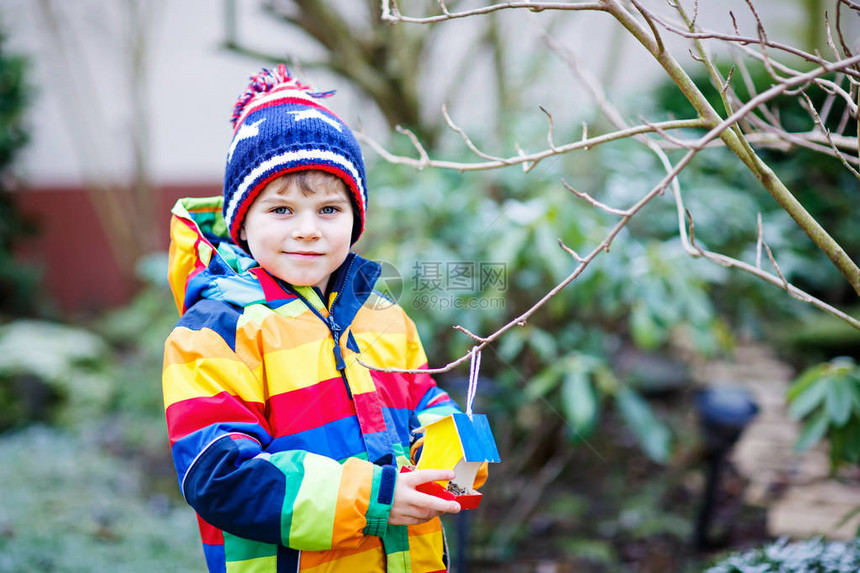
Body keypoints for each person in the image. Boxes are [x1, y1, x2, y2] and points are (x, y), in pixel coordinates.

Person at [162, 64, 484, 573]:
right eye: (282, 210)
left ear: (356, 219)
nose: (309, 230)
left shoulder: (383, 318)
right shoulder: (215, 332)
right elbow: (220, 477)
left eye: (330, 209)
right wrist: (374, 499)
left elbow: (427, 404)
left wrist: (461, 457)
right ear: (241, 221)